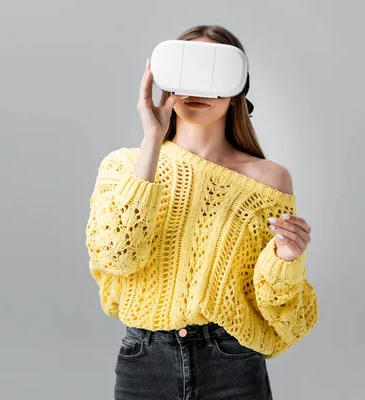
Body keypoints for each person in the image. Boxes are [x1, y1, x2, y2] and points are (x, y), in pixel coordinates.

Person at [84, 24, 318, 399]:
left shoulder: (269, 180)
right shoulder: (123, 166)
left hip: (230, 360)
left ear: (237, 86)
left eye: (211, 72)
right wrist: (151, 142)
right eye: (185, 73)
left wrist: (285, 260)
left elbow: (275, 302)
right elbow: (117, 255)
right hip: (145, 361)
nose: (196, 89)